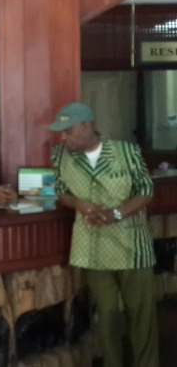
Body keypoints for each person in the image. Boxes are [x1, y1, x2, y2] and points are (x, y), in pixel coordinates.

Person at [48, 102, 157, 367]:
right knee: (106, 314)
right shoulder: (61, 155)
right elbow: (61, 190)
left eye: (68, 131)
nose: (64, 137)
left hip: (132, 244)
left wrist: (116, 213)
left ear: (87, 126)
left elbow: (146, 191)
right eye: (61, 132)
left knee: (140, 313)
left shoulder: (126, 152)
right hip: (91, 245)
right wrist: (79, 204)